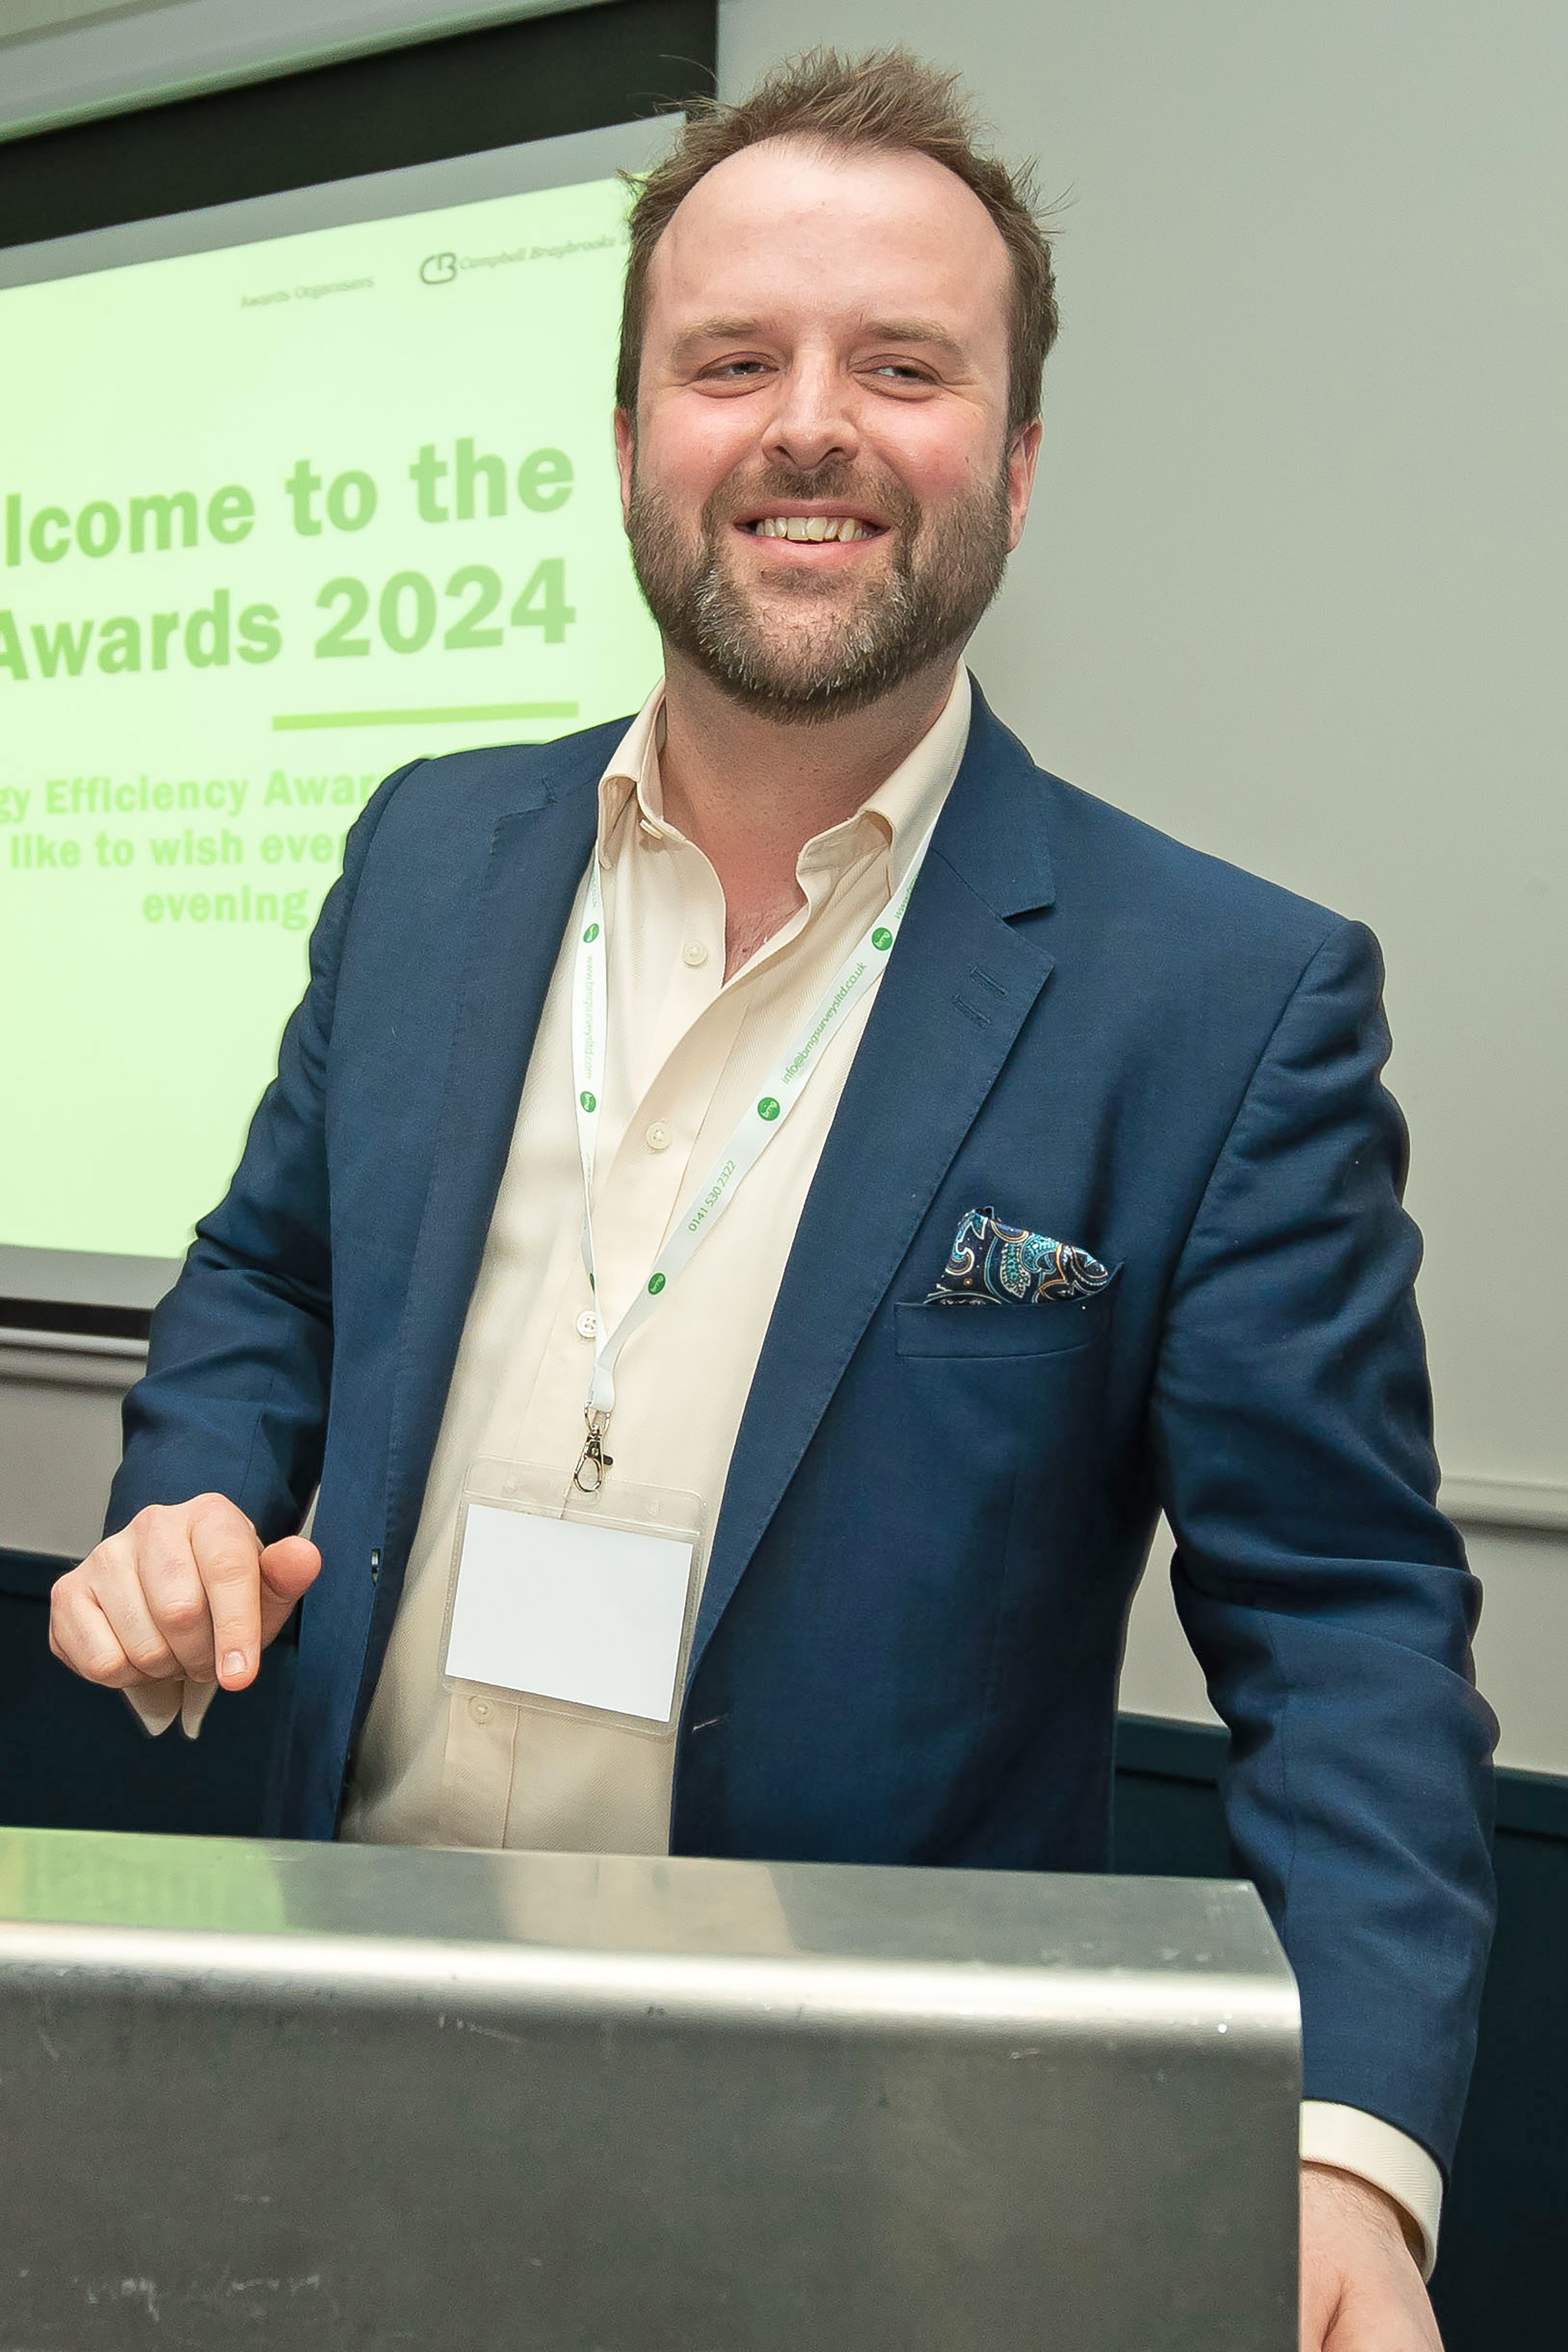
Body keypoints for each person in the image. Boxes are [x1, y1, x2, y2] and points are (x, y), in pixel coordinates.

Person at [51, 49, 1492, 2349]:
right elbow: (274, 1273)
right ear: (633, 434)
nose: (811, 428)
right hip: (334, 2070)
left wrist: (1347, 2146)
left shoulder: (1219, 1002)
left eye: (903, 367)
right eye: (734, 362)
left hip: (876, 2176)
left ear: (1017, 460)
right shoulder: (427, 853)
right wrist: (194, 1494)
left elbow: (1342, 1633)